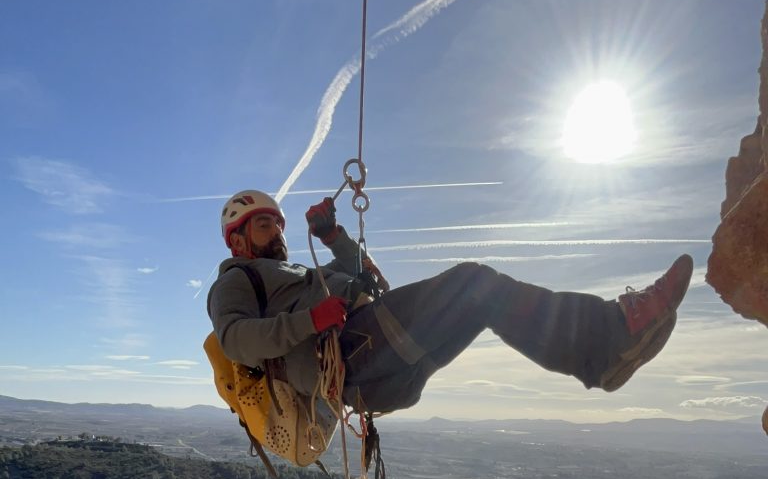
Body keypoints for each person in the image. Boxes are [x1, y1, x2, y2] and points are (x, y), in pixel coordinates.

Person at [207, 189, 693, 418]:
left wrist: (333, 237)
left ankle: (602, 354)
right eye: (265, 225)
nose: (278, 233)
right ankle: (607, 337)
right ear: (239, 241)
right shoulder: (237, 281)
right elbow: (236, 340)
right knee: (474, 284)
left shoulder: (300, 274)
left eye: (278, 223)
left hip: (372, 358)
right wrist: (312, 319)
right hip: (352, 355)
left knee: (481, 300)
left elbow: (369, 279)